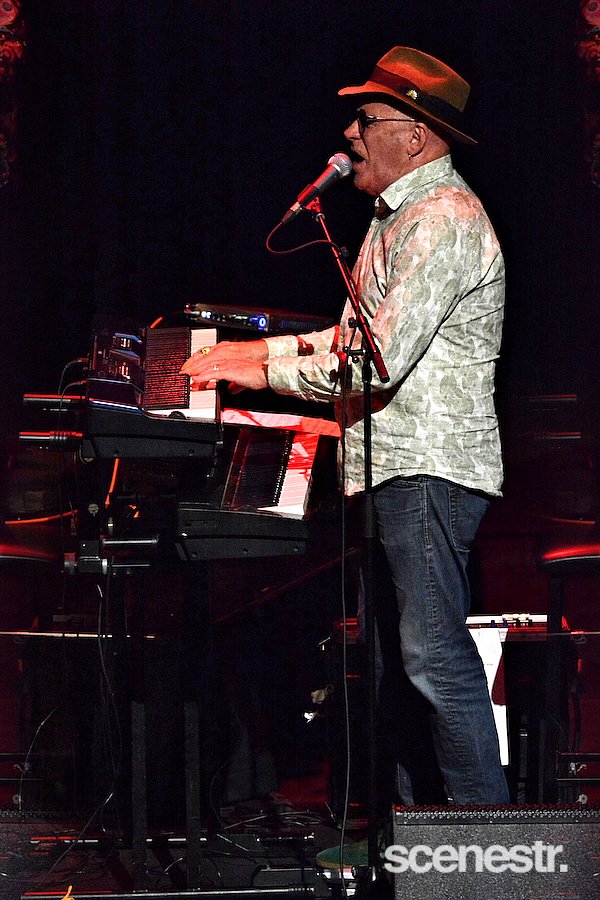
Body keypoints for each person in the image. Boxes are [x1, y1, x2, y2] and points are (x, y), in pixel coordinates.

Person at [180, 46, 510, 807]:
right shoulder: (402, 217)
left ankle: (485, 840)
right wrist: (254, 353)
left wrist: (263, 374)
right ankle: (407, 841)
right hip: (393, 467)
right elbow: (353, 338)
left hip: (425, 469)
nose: (349, 134)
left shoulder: (443, 221)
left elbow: (375, 364)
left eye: (366, 119)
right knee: (396, 665)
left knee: (432, 658)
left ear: (415, 136)